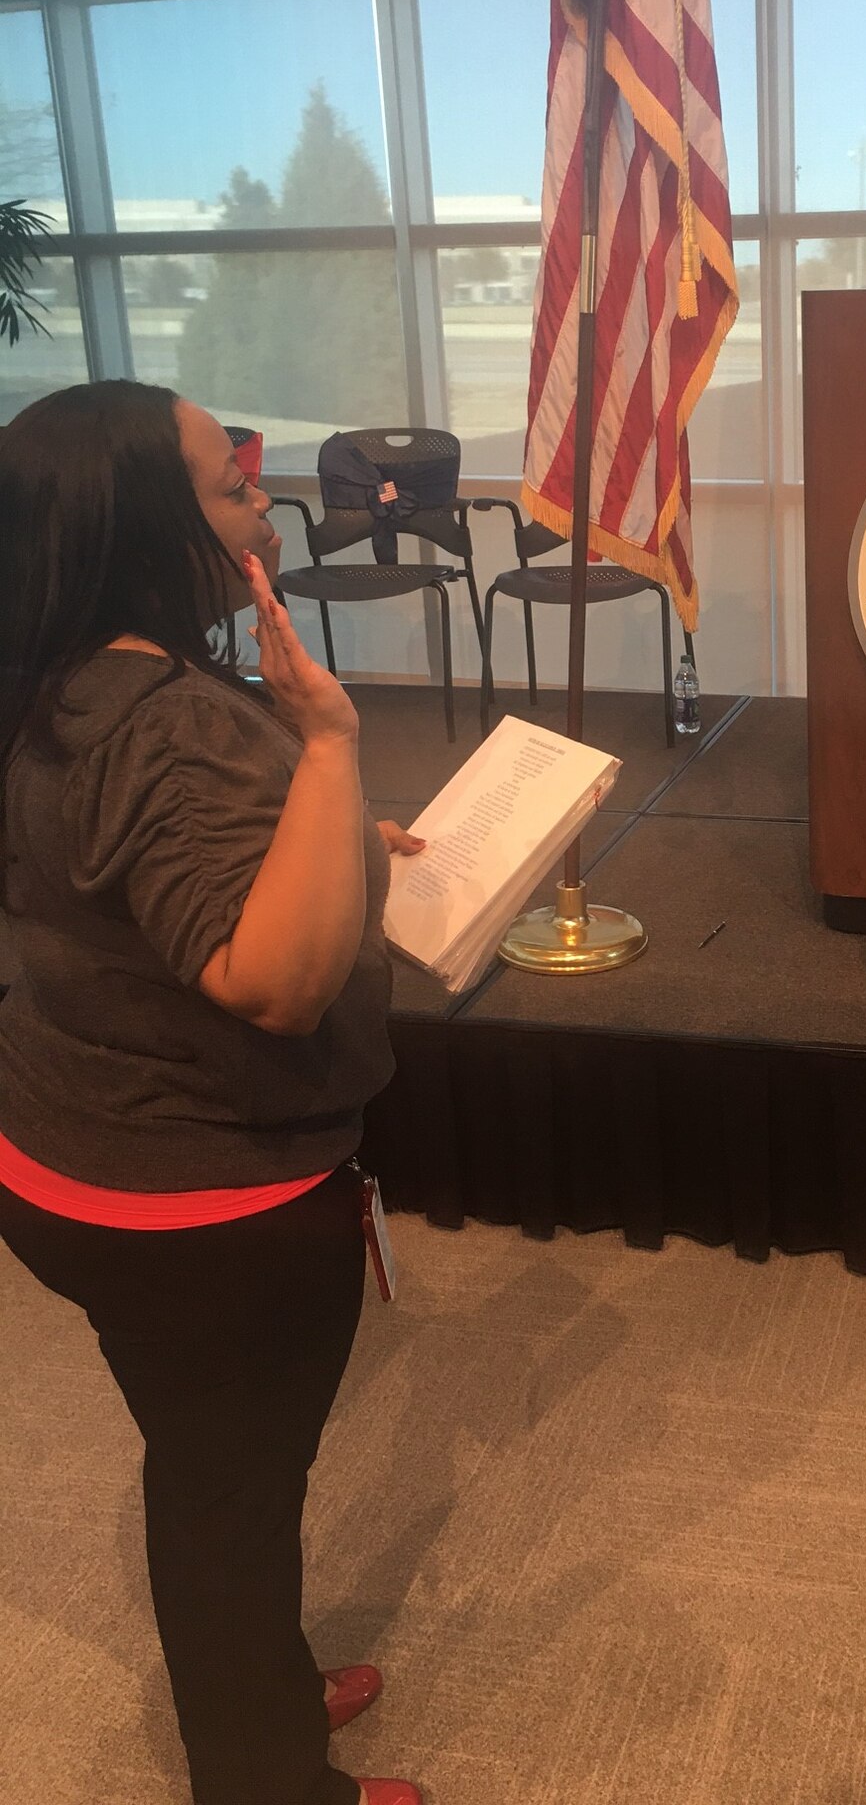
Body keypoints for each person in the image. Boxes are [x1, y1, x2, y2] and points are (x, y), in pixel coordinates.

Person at [0, 381, 424, 1804]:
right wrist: (325, 748)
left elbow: (121, 879)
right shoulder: (172, 725)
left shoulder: (46, 683)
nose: (262, 495)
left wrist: (323, 832)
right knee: (229, 1495)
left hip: (66, 1156)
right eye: (229, 480)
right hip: (203, 1204)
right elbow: (271, 984)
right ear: (143, 525)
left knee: (206, 1467)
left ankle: (268, 1684)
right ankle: (268, 1781)